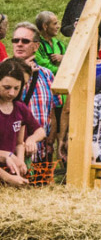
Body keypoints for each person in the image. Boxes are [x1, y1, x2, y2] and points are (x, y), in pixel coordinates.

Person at [12, 22, 56, 165]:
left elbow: (53, 111)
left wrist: (52, 140)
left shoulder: (47, 74)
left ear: (36, 46)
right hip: (11, 156)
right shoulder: (3, 72)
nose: (19, 44)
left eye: (25, 41)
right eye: (15, 40)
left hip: (41, 152)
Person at [0, 59, 44, 186]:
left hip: (10, 173)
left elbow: (19, 143)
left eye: (16, 88)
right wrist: (8, 177)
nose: (11, 93)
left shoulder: (20, 108)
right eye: (6, 88)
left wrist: (20, 163)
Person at [34, 11, 66, 75]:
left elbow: (70, 62)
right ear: (45, 26)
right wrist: (64, 71)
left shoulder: (59, 44)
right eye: (55, 24)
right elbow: (43, 67)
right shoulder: (35, 44)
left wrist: (63, 57)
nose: (58, 26)